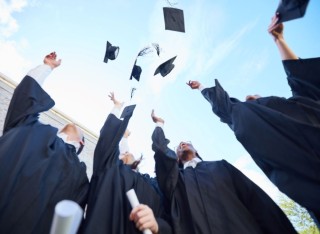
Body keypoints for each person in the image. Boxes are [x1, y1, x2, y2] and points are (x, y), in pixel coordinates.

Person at [187, 15, 320, 227]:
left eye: (254, 97)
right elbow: (226, 107)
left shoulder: (298, 104)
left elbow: (301, 79)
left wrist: (279, 40)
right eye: (248, 100)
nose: (249, 98)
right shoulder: (248, 118)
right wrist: (202, 88)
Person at [151, 110, 297, 234]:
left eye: (187, 142)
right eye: (178, 146)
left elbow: (258, 202)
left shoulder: (220, 167)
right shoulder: (176, 181)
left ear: (197, 151)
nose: (182, 143)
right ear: (175, 159)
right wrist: (160, 124)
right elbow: (162, 152)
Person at [0, 52, 89, 234]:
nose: (75, 125)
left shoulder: (79, 173)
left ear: (81, 143)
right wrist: (47, 67)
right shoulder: (33, 127)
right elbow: (24, 98)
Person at [80, 93, 172, 234]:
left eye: (125, 152)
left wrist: (157, 225)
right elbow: (109, 139)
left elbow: (169, 225)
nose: (125, 153)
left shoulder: (156, 187)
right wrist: (118, 107)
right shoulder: (110, 168)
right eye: (121, 154)